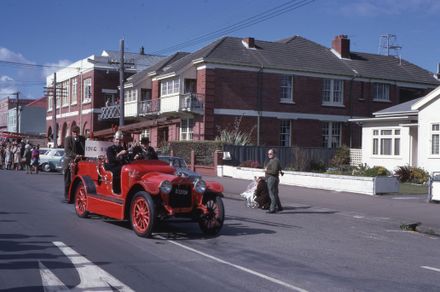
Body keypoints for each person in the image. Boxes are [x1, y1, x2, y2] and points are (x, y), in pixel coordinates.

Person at [63, 125, 86, 201]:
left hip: (80, 162)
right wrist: (76, 155)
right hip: (70, 161)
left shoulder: (82, 139)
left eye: (77, 132)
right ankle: (67, 196)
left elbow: (85, 148)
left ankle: (75, 195)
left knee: (79, 180)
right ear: (72, 132)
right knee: (68, 180)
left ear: (79, 132)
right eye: (74, 132)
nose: (75, 133)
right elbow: (67, 150)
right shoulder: (68, 139)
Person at [264, 148, 284, 213]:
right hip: (272, 178)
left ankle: (272, 209)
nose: (269, 155)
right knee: (275, 193)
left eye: (270, 154)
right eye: (268, 154)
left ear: (274, 154)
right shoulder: (273, 160)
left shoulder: (275, 160)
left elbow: (274, 171)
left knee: (272, 194)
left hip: (272, 178)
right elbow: (279, 169)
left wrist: (267, 170)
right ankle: (279, 207)